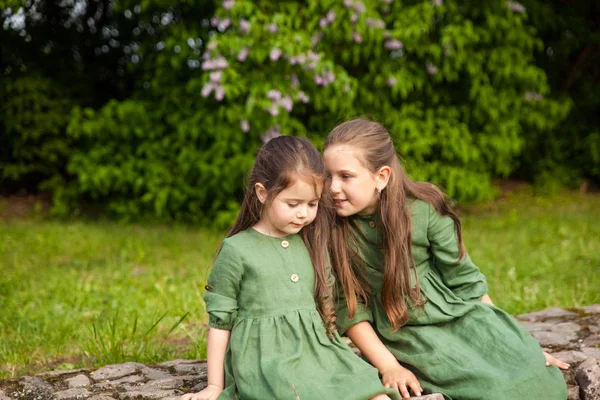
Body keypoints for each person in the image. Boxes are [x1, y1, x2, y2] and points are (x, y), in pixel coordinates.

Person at [323, 118, 569, 400]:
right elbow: (350, 309)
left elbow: (465, 281)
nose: (332, 187)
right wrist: (389, 366)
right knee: (491, 391)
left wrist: (513, 340)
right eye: (328, 175)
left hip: (456, 315)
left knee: (540, 379)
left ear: (381, 176)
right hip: (405, 334)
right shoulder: (331, 229)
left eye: (345, 176)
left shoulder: (423, 208)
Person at [181, 136, 400, 400]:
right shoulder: (237, 250)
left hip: (318, 352)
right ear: (262, 193)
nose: (303, 214)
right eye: (293, 204)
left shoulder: (311, 242)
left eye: (312, 204)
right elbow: (220, 322)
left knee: (368, 389)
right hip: (268, 361)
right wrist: (214, 386)